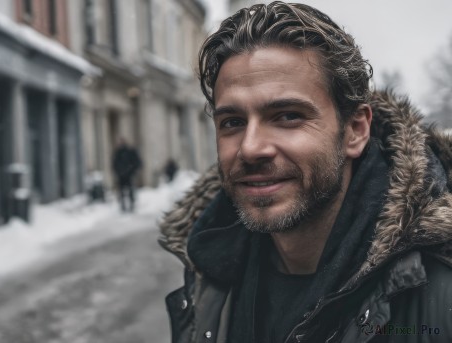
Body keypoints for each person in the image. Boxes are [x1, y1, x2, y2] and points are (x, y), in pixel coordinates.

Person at [158, 2, 452, 343]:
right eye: (233, 122)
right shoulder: (208, 271)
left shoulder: (438, 297)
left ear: (355, 130)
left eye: (288, 116)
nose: (251, 148)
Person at [112, 137, 142, 212]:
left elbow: (137, 162)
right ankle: (123, 206)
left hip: (129, 175)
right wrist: (118, 172)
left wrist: (132, 171)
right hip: (121, 175)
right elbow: (114, 164)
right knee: (122, 191)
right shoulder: (118, 153)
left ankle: (131, 204)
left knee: (130, 190)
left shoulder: (130, 151)